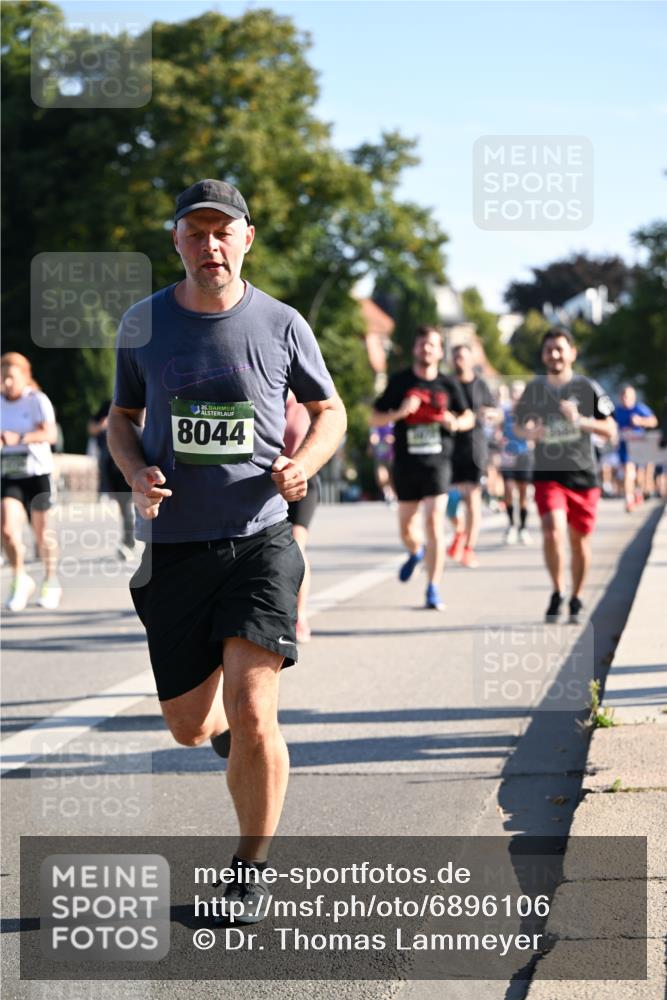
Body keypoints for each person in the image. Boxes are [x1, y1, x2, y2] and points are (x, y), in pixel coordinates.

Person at [107, 179, 346, 921]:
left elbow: (330, 410)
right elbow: (121, 417)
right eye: (196, 232)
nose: (210, 245)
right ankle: (220, 735)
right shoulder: (143, 324)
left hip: (260, 539)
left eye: (223, 231)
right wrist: (135, 471)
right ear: (176, 241)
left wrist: (303, 464)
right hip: (176, 547)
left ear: (247, 238)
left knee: (252, 706)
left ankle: (249, 867)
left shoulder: (281, 323)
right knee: (190, 726)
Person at [513, 327, 616, 623]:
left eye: (560, 349)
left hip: (583, 474)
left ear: (572, 353)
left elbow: (610, 429)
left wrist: (580, 420)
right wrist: (530, 432)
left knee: (580, 541)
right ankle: (558, 590)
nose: (554, 354)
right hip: (548, 473)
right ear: (543, 355)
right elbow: (517, 426)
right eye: (549, 350)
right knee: (552, 530)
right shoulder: (534, 389)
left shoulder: (588, 387)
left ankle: (577, 597)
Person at [371, 326, 472, 610]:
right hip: (406, 464)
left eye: (432, 345)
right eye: (422, 344)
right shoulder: (400, 381)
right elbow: (374, 418)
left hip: (438, 463)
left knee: (434, 521)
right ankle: (417, 552)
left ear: (440, 351)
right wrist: (400, 413)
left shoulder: (448, 384)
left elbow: (469, 417)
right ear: (415, 349)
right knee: (406, 528)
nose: (427, 349)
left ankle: (433, 587)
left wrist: (455, 422)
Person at [1, 352, 62, 611]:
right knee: (6, 529)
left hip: (38, 474)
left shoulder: (37, 400)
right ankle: (20, 579)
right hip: (10, 475)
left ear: (25, 377)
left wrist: (20, 438)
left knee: (42, 533)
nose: (6, 383)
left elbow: (50, 434)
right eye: (2, 378)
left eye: (11, 378)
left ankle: (51, 581)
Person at [447, 343, 500, 568]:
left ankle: (469, 548)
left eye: (463, 356)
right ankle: (460, 531)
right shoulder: (447, 384)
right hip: (449, 447)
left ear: (471, 360)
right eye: (456, 357)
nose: (459, 360)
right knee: (449, 501)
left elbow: (496, 412)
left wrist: (489, 413)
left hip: (474, 447)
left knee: (472, 499)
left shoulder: (480, 385)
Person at [283, 391, 318, 643]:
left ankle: (300, 616)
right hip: (264, 484)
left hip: (302, 480)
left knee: (296, 543)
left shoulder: (307, 395)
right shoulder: (254, 391)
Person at [88, 399, 136, 560]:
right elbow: (91, 428)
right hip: (111, 462)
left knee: (133, 505)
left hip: (133, 458)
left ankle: (131, 541)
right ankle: (129, 541)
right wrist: (103, 425)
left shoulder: (141, 399)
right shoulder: (108, 404)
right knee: (125, 505)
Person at [614, 385, 658, 512]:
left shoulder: (639, 408)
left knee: (639, 475)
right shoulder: (617, 411)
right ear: (620, 397)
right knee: (628, 472)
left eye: (628, 396)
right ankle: (629, 500)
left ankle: (638, 492)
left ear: (633, 397)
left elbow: (654, 421)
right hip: (624, 446)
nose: (625, 399)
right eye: (623, 396)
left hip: (639, 446)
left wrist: (640, 421)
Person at [499, 379, 533, 545]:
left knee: (523, 493)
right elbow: (497, 429)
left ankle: (523, 528)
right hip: (507, 455)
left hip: (524, 455)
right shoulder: (504, 412)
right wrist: (500, 439)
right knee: (508, 490)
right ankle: (511, 525)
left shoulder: (529, 412)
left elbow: (534, 430)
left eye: (521, 392)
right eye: (515, 391)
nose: (517, 395)